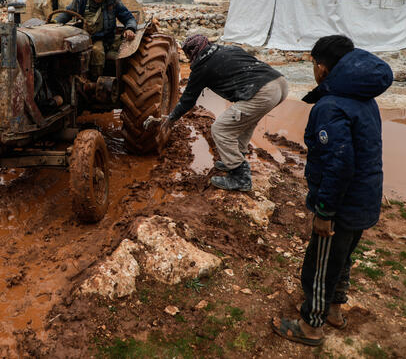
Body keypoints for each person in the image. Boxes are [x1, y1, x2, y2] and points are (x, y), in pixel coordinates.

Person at [272, 35, 393, 346]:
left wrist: (325, 212)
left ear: (323, 68)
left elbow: (338, 165)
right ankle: (335, 312)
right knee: (343, 259)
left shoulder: (331, 106)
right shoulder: (363, 98)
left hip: (341, 206)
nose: (313, 70)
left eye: (313, 64)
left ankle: (311, 326)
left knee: (320, 265)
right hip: (364, 199)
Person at [158, 35, 288, 191]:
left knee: (221, 129)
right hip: (279, 83)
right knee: (244, 122)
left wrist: (172, 118)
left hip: (262, 91)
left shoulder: (201, 66)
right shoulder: (228, 49)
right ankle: (235, 159)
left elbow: (188, 99)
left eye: (187, 54)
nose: (187, 58)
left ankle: (240, 176)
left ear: (192, 52)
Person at [55, 0, 136, 79]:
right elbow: (68, 13)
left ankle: (95, 80)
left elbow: (128, 18)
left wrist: (130, 28)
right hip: (83, 36)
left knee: (97, 52)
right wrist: (54, 24)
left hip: (103, 37)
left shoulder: (113, 0)